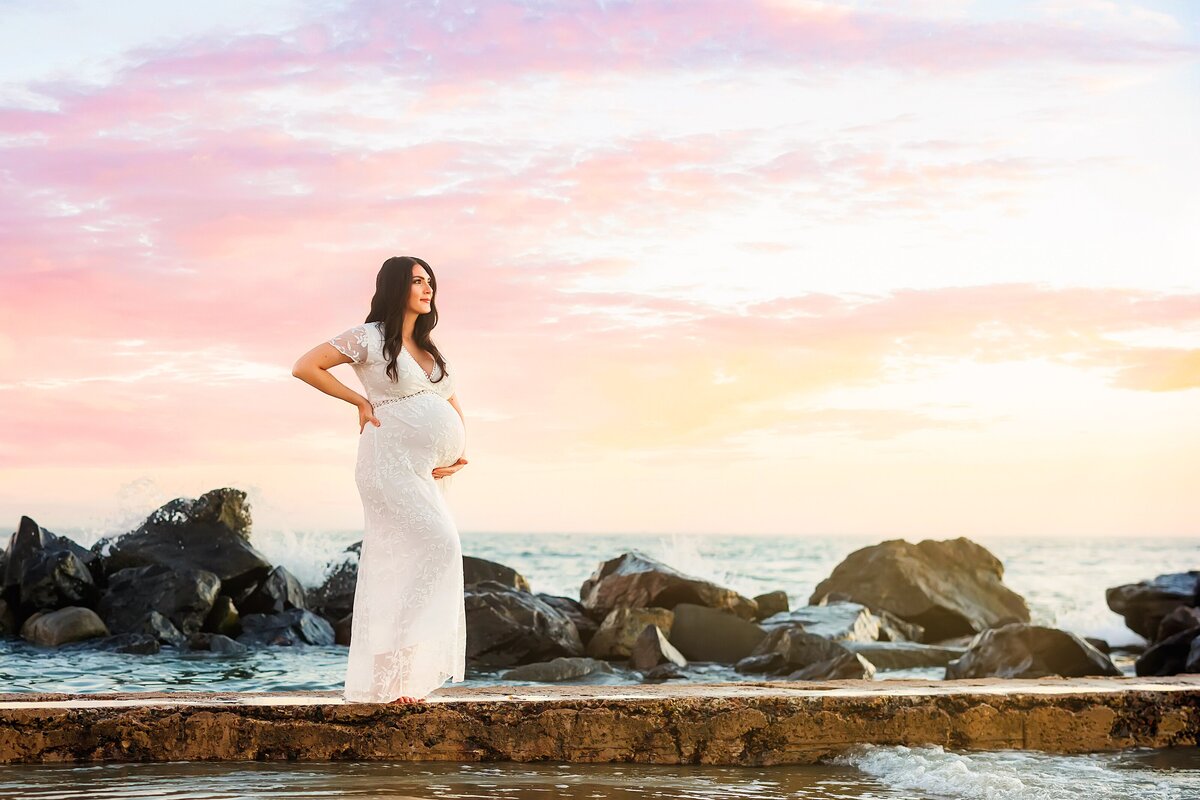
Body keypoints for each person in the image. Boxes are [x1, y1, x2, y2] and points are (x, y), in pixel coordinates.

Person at [291, 255, 469, 704]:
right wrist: (359, 401)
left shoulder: (430, 350)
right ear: (394, 287)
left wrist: (458, 452)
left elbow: (451, 402)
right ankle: (392, 672)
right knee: (436, 546)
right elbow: (306, 366)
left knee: (414, 560)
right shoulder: (369, 337)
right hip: (386, 463)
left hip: (423, 470)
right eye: (416, 281)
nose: (427, 288)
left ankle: (401, 681)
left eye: (430, 281)